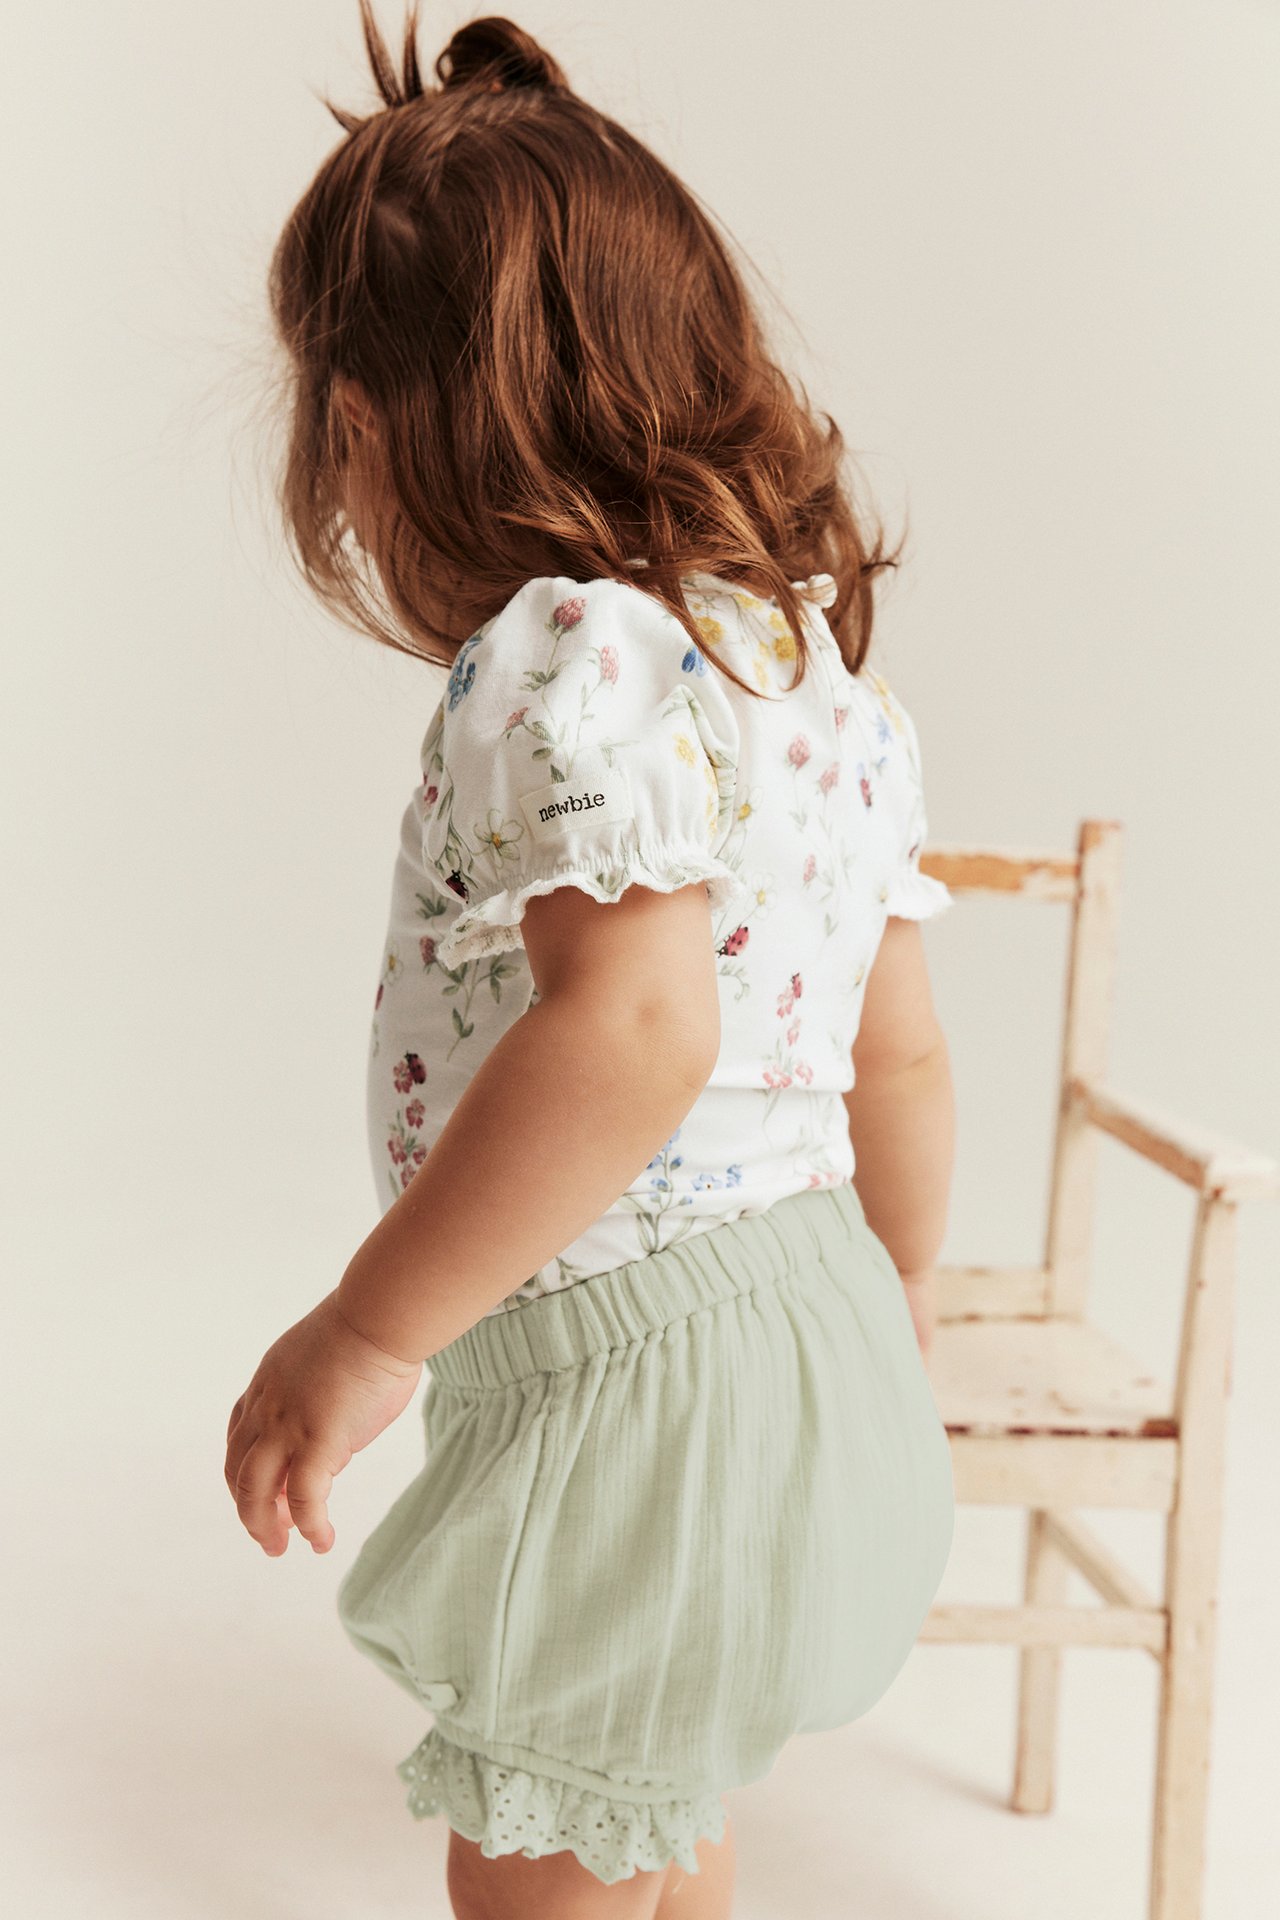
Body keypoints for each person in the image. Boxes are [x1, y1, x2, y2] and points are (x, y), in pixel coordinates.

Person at [223, 7, 958, 1916]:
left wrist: (367, 1333)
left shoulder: (571, 654)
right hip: (815, 1322)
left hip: (637, 1363)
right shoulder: (809, 680)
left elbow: (635, 1029)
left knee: (548, 1852)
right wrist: (899, 1301)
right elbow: (904, 1058)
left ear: (369, 420)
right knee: (667, 1807)